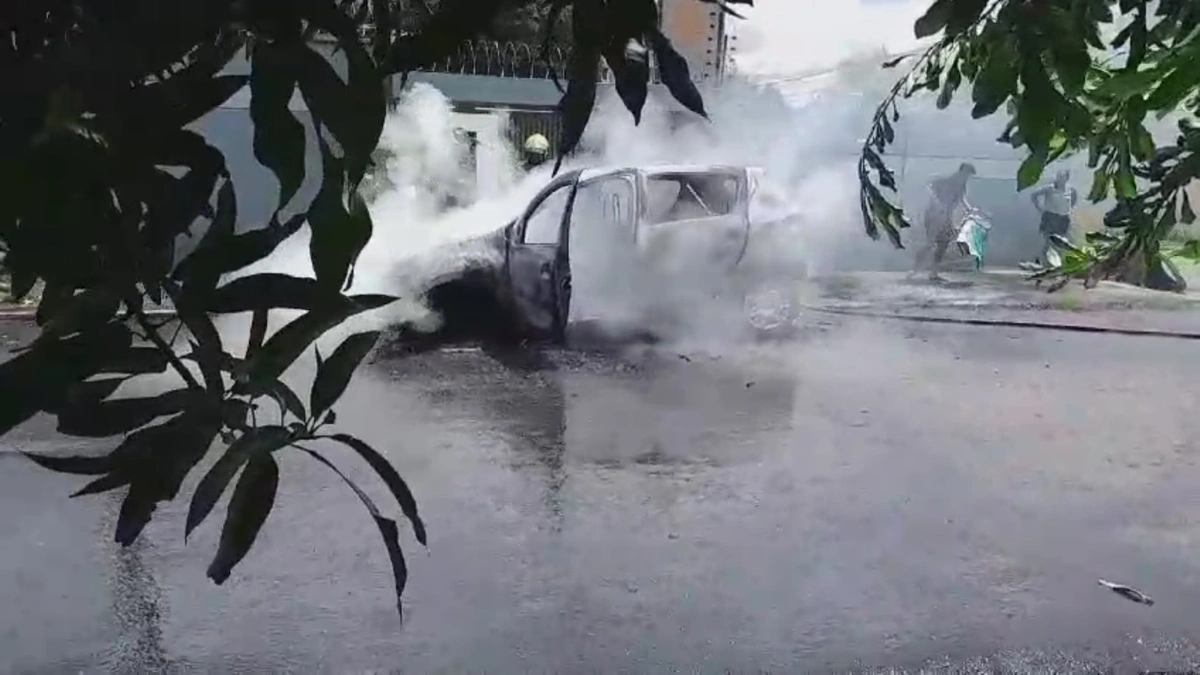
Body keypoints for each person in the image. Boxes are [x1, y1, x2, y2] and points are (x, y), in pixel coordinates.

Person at [910, 162, 976, 282]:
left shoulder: (962, 186)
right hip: (934, 215)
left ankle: (933, 273)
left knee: (943, 244)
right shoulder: (947, 181)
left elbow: (961, 198)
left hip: (946, 217)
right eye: (966, 174)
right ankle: (915, 270)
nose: (967, 178)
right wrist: (937, 202)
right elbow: (928, 187)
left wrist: (969, 208)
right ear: (961, 172)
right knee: (930, 243)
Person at [1030, 169, 1078, 268]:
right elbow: (1034, 194)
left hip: (1063, 218)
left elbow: (1073, 200)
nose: (1060, 179)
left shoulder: (1071, 189)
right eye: (1059, 176)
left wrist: (1068, 209)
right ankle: (1043, 263)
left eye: (1063, 177)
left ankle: (1058, 264)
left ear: (1067, 178)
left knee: (1062, 242)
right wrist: (1039, 207)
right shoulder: (1050, 188)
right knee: (1048, 241)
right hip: (1050, 216)